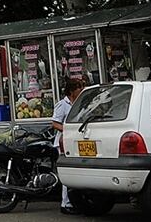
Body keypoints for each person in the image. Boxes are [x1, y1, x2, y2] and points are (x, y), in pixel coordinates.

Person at [53, 77, 86, 215]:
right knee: (67, 173)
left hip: (75, 141)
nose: (81, 90)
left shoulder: (79, 103)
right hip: (63, 142)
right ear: (72, 90)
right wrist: (68, 131)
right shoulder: (63, 104)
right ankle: (65, 203)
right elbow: (55, 123)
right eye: (79, 88)